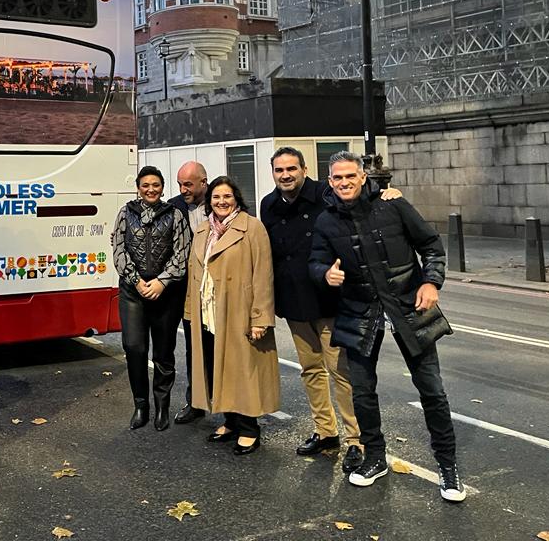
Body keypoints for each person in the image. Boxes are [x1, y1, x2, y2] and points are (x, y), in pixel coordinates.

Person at [308, 151, 465, 502]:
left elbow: (431, 245)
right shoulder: (326, 221)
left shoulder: (393, 205)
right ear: (330, 182)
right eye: (337, 178)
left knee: (432, 392)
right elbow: (315, 262)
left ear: (363, 177)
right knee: (362, 392)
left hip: (409, 306)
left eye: (350, 176)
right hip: (357, 311)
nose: (344, 183)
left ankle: (448, 467)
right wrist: (324, 274)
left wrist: (431, 282)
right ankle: (375, 458)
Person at [261, 146, 401, 473]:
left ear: (303, 169)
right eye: (279, 170)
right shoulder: (268, 205)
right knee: (310, 370)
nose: (286, 175)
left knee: (341, 372)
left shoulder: (324, 193)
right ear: (273, 173)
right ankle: (326, 431)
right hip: (293, 301)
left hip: (329, 300)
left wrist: (385, 193)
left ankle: (356, 440)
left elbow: (355, 192)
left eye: (291, 169)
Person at [189, 176, 279, 455]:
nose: (221, 202)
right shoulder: (203, 230)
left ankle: (250, 428)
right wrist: (190, 310)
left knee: (243, 371)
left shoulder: (253, 228)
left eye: (227, 196)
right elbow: (196, 272)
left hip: (239, 311)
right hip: (209, 312)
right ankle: (230, 421)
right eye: (216, 197)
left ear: (236, 198)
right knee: (218, 368)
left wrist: (260, 317)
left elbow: (264, 274)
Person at [111, 166, 191, 431]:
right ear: (138, 187)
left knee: (164, 352)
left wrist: (161, 281)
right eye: (145, 185)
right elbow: (119, 251)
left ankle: (162, 407)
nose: (151, 189)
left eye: (156, 184)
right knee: (135, 348)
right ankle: (141, 405)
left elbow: (182, 253)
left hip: (165, 293)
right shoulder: (125, 213)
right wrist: (137, 281)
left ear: (162, 187)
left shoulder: (175, 214)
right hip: (133, 293)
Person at [166, 161, 209, 426]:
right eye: (180, 184)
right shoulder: (173, 207)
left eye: (189, 184)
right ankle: (195, 403)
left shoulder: (221, 201)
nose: (183, 189)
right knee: (193, 348)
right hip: (186, 291)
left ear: (204, 182)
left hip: (218, 289)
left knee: (222, 348)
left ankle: (232, 408)